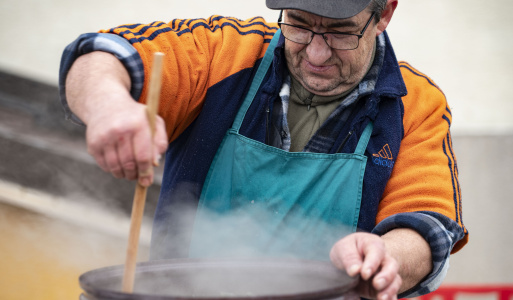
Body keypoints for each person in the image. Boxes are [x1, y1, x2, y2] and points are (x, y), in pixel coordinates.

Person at [59, 0, 468, 299]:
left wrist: (385, 255)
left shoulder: (415, 103)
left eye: (341, 32)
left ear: (384, 14)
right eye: (299, 24)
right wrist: (109, 106)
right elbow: (103, 53)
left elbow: (426, 224)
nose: (316, 52)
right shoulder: (225, 53)